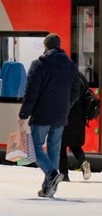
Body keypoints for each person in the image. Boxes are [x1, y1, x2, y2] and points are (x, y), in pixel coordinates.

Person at [19, 33, 81, 198]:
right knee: (54, 149)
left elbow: (31, 92)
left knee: (34, 148)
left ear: (45, 46)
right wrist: (66, 105)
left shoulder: (39, 64)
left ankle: (52, 174)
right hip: (60, 116)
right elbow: (76, 90)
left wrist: (24, 113)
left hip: (42, 115)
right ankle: (49, 188)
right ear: (59, 46)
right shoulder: (70, 66)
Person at [59, 70, 92, 182]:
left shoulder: (63, 78)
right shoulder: (81, 77)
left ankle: (64, 174)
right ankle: (83, 161)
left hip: (65, 117)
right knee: (75, 145)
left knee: (61, 147)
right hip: (79, 119)